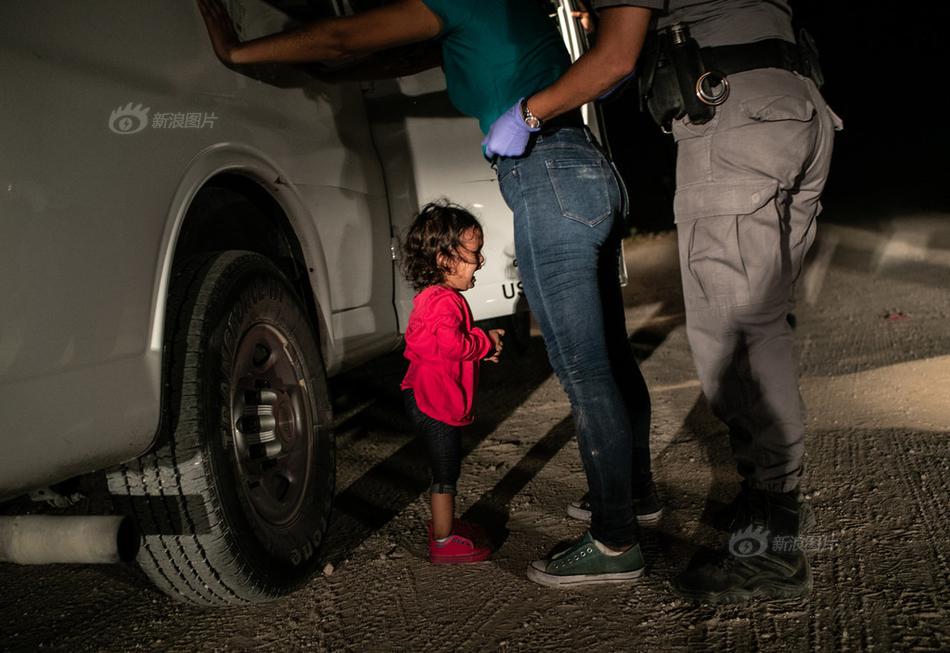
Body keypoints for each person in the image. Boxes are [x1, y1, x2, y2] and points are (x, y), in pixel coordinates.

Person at [197, 0, 658, 587]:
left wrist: (235, 52)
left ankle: (615, 539)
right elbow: (374, 59)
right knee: (610, 360)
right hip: (588, 170)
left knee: (585, 371)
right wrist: (321, 72)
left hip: (546, 175)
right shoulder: (500, 14)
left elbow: (342, 37)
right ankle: (633, 495)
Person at [484, 0, 839, 602]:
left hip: (735, 118)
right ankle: (766, 510)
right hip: (797, 105)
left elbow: (615, 58)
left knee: (736, 341)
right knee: (763, 326)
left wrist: (527, 112)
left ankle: (771, 545)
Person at [400, 202, 502, 564]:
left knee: (444, 468)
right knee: (445, 471)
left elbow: (441, 346)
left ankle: (445, 526)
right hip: (435, 402)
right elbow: (451, 344)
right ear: (445, 260)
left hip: (423, 395)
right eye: (473, 254)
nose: (480, 261)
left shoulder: (432, 298)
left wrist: (479, 347)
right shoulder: (445, 302)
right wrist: (485, 342)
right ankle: (443, 541)